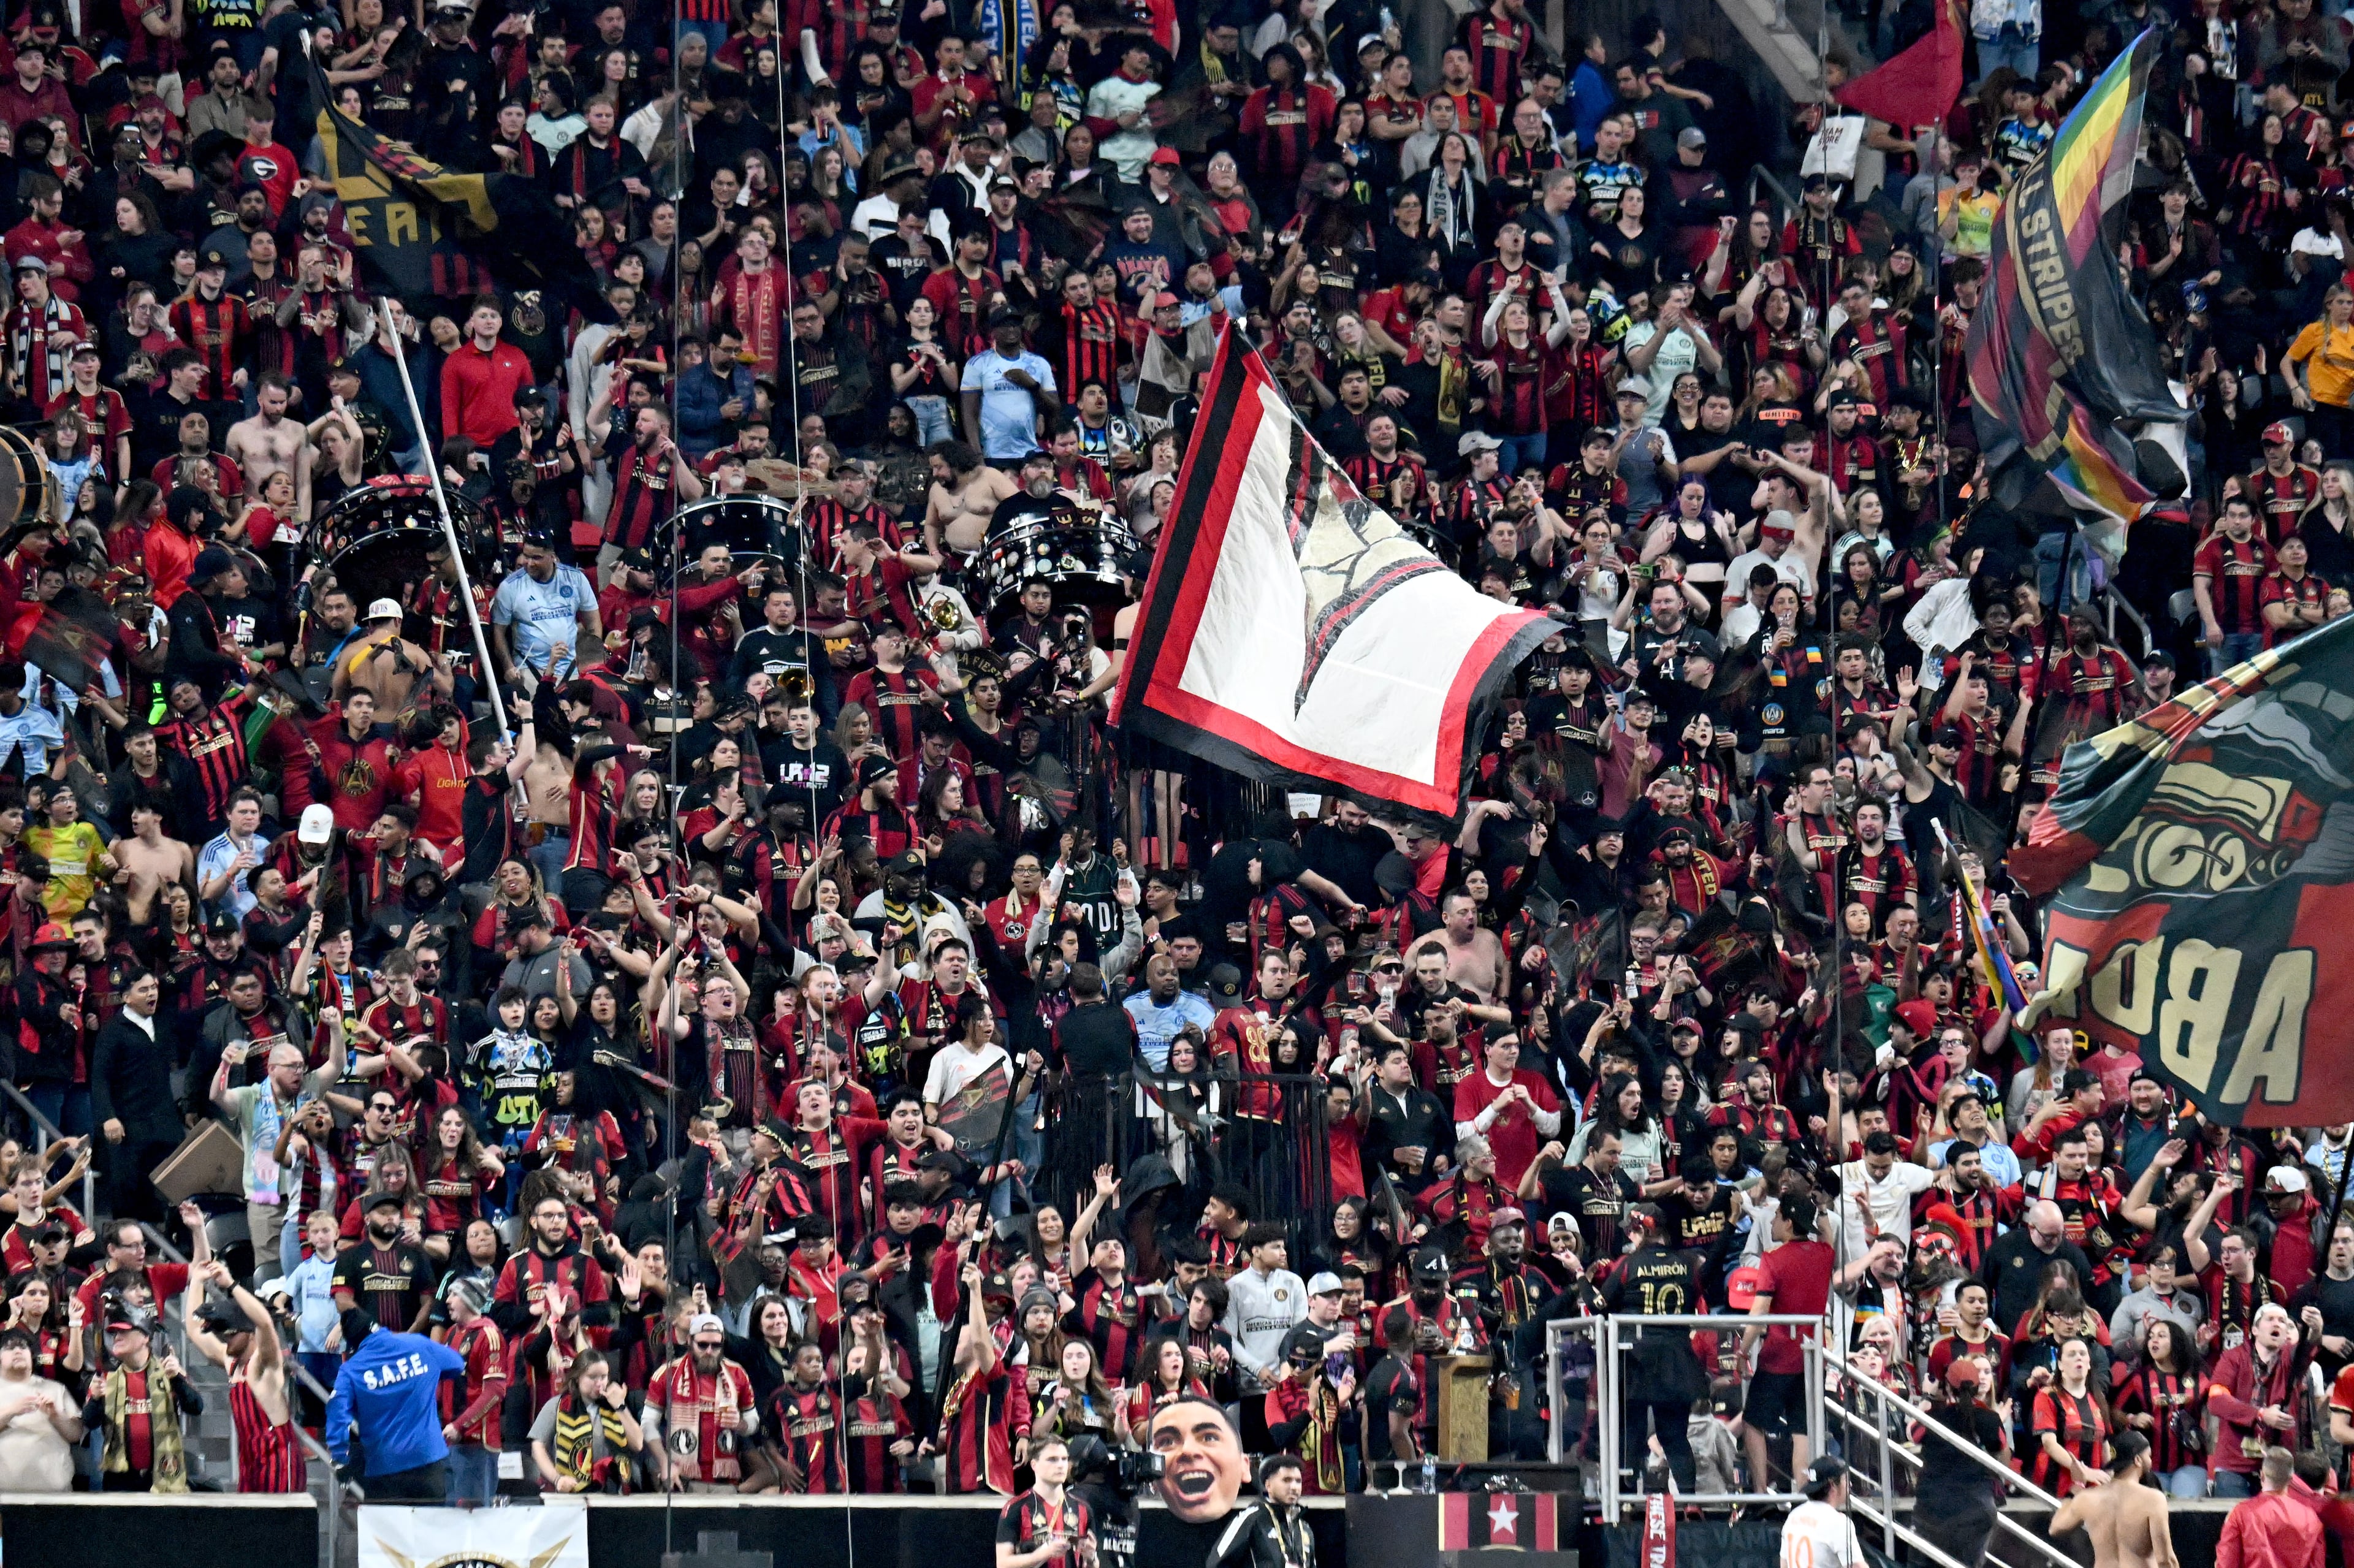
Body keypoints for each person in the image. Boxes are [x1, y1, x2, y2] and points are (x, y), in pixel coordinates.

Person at [326, 1306, 467, 1501]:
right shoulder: (419, 1343)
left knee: (384, 1532)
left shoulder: (351, 1370)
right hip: (430, 1460)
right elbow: (456, 1364)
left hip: (383, 1470)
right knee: (432, 1531)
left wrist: (340, 1458)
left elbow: (337, 1414)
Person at [2050, 1432, 2183, 1568]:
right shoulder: (2153, 1499)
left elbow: (2055, 1527)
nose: (2151, 1461)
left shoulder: (2087, 1498)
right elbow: (2165, 1559)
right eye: (2149, 1456)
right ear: (2137, 1460)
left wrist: (2077, 1486)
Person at [1781, 1456, 1866, 1568]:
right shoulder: (1838, 1522)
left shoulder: (1793, 1516)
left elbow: (1784, 1565)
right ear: (1832, 1485)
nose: (1850, 1484)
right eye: (1846, 1479)